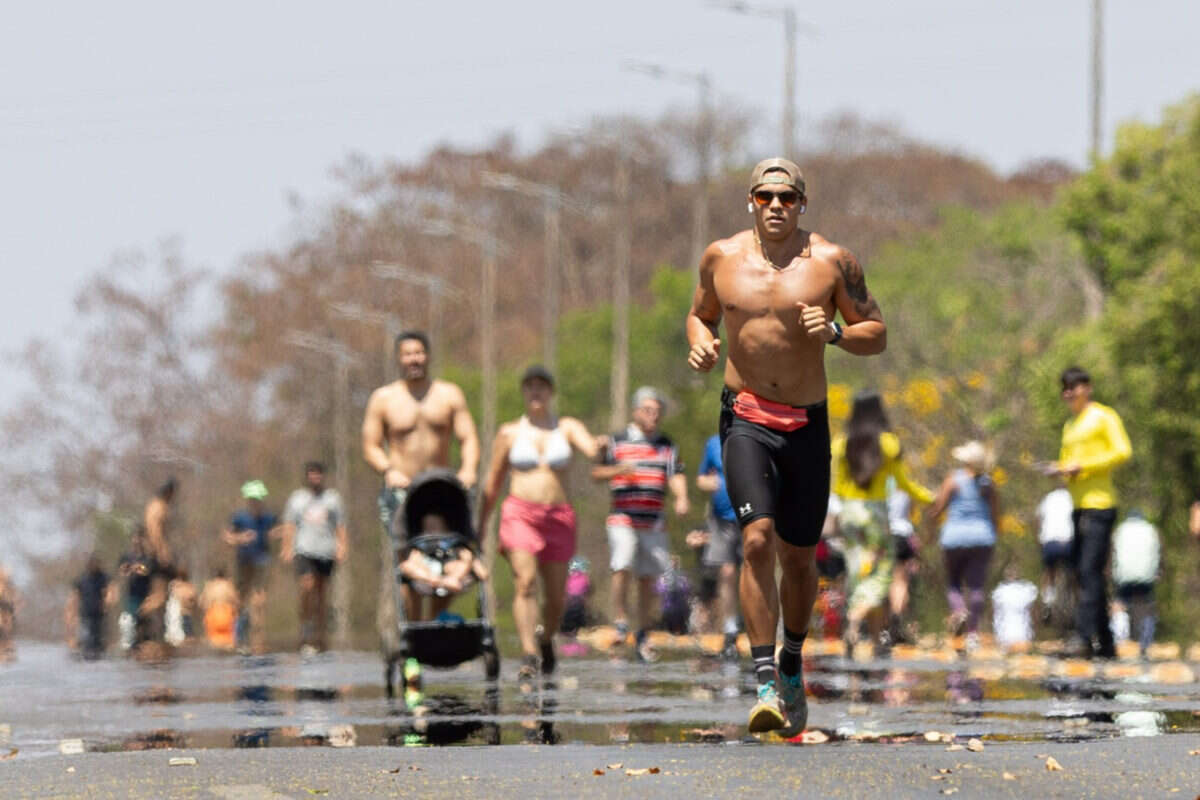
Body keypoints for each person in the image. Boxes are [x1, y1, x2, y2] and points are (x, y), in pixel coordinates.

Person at [686, 157, 886, 733]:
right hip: (745, 417)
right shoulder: (720, 258)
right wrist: (701, 342)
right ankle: (765, 677)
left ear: (802, 204)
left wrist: (837, 333)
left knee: (799, 559)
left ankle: (793, 660)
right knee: (755, 539)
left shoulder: (831, 263)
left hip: (805, 423)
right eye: (766, 196)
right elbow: (700, 317)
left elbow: (877, 332)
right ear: (750, 200)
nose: (777, 205)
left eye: (788, 198)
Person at [479, 365, 601, 681]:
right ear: (524, 391)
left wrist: (600, 447)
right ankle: (529, 652)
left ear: (551, 392)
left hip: (558, 517)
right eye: (530, 386)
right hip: (520, 513)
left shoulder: (567, 427)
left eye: (542, 386)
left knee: (558, 597)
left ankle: (545, 638)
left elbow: (589, 447)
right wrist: (479, 528)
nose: (536, 391)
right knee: (525, 581)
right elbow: (492, 484)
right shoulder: (509, 433)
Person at [361, 331, 481, 651]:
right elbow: (370, 446)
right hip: (403, 494)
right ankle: (413, 632)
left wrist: (468, 469)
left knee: (451, 557)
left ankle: (434, 623)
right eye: (407, 354)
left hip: (441, 493)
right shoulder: (384, 399)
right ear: (399, 359)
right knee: (410, 570)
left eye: (419, 353)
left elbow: (468, 437)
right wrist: (388, 469)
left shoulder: (448, 395)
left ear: (428, 356)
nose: (414, 359)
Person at [592, 386, 689, 663]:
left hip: (654, 520)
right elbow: (596, 472)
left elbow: (676, 474)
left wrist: (681, 498)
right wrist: (619, 470)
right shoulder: (617, 441)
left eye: (657, 411)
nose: (653, 416)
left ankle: (643, 631)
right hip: (623, 516)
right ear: (635, 411)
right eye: (648, 410)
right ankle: (620, 619)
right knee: (622, 562)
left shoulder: (667, 445)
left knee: (649, 577)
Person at [832, 391, 934, 647]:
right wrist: (929, 498)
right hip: (876, 515)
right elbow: (902, 482)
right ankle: (856, 621)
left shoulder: (840, 444)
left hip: (850, 515)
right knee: (880, 575)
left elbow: (835, 485)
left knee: (858, 573)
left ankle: (869, 635)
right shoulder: (888, 443)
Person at [1049, 366, 1132, 659]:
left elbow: (1122, 451)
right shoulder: (1070, 425)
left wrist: (1084, 466)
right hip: (1078, 505)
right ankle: (1106, 642)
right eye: (1064, 388)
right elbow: (1068, 460)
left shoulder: (1103, 416)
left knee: (1088, 571)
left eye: (1073, 386)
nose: (1068, 393)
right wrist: (1061, 470)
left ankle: (1083, 638)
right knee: (1083, 573)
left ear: (1088, 388)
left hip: (1100, 505)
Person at [927, 440, 1000, 653]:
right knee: (976, 586)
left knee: (953, 583)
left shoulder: (953, 480)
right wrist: (992, 535)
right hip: (982, 537)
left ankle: (958, 611)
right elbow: (995, 515)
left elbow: (939, 508)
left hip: (954, 537)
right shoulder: (989, 484)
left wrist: (930, 525)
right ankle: (973, 634)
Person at [280, 462, 348, 654]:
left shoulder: (333, 498)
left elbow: (340, 525)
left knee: (321, 592)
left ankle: (319, 634)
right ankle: (305, 627)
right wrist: (286, 547)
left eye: (318, 474)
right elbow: (289, 524)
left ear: (323, 476)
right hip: (304, 549)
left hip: (326, 550)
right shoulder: (297, 498)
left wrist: (343, 546)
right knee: (307, 585)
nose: (315, 477)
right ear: (307, 476)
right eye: (312, 474)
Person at [697, 432, 742, 659]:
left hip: (752, 515)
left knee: (754, 571)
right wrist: (710, 483)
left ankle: (759, 627)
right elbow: (701, 478)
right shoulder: (713, 442)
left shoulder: (758, 434)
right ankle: (730, 627)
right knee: (726, 570)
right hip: (721, 519)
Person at [397, 512, 488, 621]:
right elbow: (409, 563)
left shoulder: (454, 542)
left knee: (464, 559)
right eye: (429, 529)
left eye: (435, 528)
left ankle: (452, 578)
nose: (432, 532)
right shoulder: (420, 544)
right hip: (428, 571)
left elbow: (482, 572)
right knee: (407, 565)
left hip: (448, 567)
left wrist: (470, 560)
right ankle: (437, 580)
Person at [222, 480, 279, 653]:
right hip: (244, 561)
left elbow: (283, 529)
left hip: (262, 560)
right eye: (252, 499)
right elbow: (227, 537)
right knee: (241, 597)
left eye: (258, 499)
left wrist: (275, 534)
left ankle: (258, 637)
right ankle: (239, 632)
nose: (255, 502)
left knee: (259, 599)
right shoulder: (240, 517)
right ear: (248, 500)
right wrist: (241, 539)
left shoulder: (268, 517)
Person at [1111, 510, 1160, 659]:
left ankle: (1120, 640)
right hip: (1146, 575)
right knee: (1147, 606)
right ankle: (1146, 641)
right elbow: (1157, 552)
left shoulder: (1120, 530)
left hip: (1124, 575)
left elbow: (1113, 552)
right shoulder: (1151, 530)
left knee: (1119, 605)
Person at [140, 477, 178, 642]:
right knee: (160, 596)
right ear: (169, 492)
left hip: (152, 554)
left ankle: (152, 632)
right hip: (156, 555)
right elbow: (155, 531)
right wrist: (163, 552)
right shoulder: (159, 507)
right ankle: (139, 618)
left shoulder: (153, 505)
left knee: (160, 597)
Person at [1035, 484, 1075, 616]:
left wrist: (1040, 539)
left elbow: (1038, 519)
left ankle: (1048, 600)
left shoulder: (1047, 498)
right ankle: (1072, 600)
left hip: (1049, 542)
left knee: (1049, 571)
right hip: (1068, 542)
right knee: (1074, 572)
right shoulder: (1073, 498)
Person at [67, 555, 115, 658]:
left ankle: (97, 654)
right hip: (85, 613)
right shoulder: (81, 579)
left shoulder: (104, 577)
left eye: (96, 564)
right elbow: (74, 597)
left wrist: (107, 603)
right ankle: (86, 654)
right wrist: (71, 615)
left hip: (100, 614)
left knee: (99, 640)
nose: (94, 566)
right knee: (86, 639)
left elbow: (111, 591)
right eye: (91, 564)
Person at [991, 565, 1038, 651]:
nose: (1012, 572)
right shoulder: (1000, 590)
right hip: (1007, 637)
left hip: (1021, 636)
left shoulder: (1026, 589)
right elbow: (995, 614)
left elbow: (1033, 613)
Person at [199, 569, 239, 651]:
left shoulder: (209, 585)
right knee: (228, 645)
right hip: (226, 613)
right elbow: (236, 601)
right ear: (224, 576)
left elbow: (201, 602)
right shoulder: (228, 585)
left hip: (212, 614)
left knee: (212, 645)